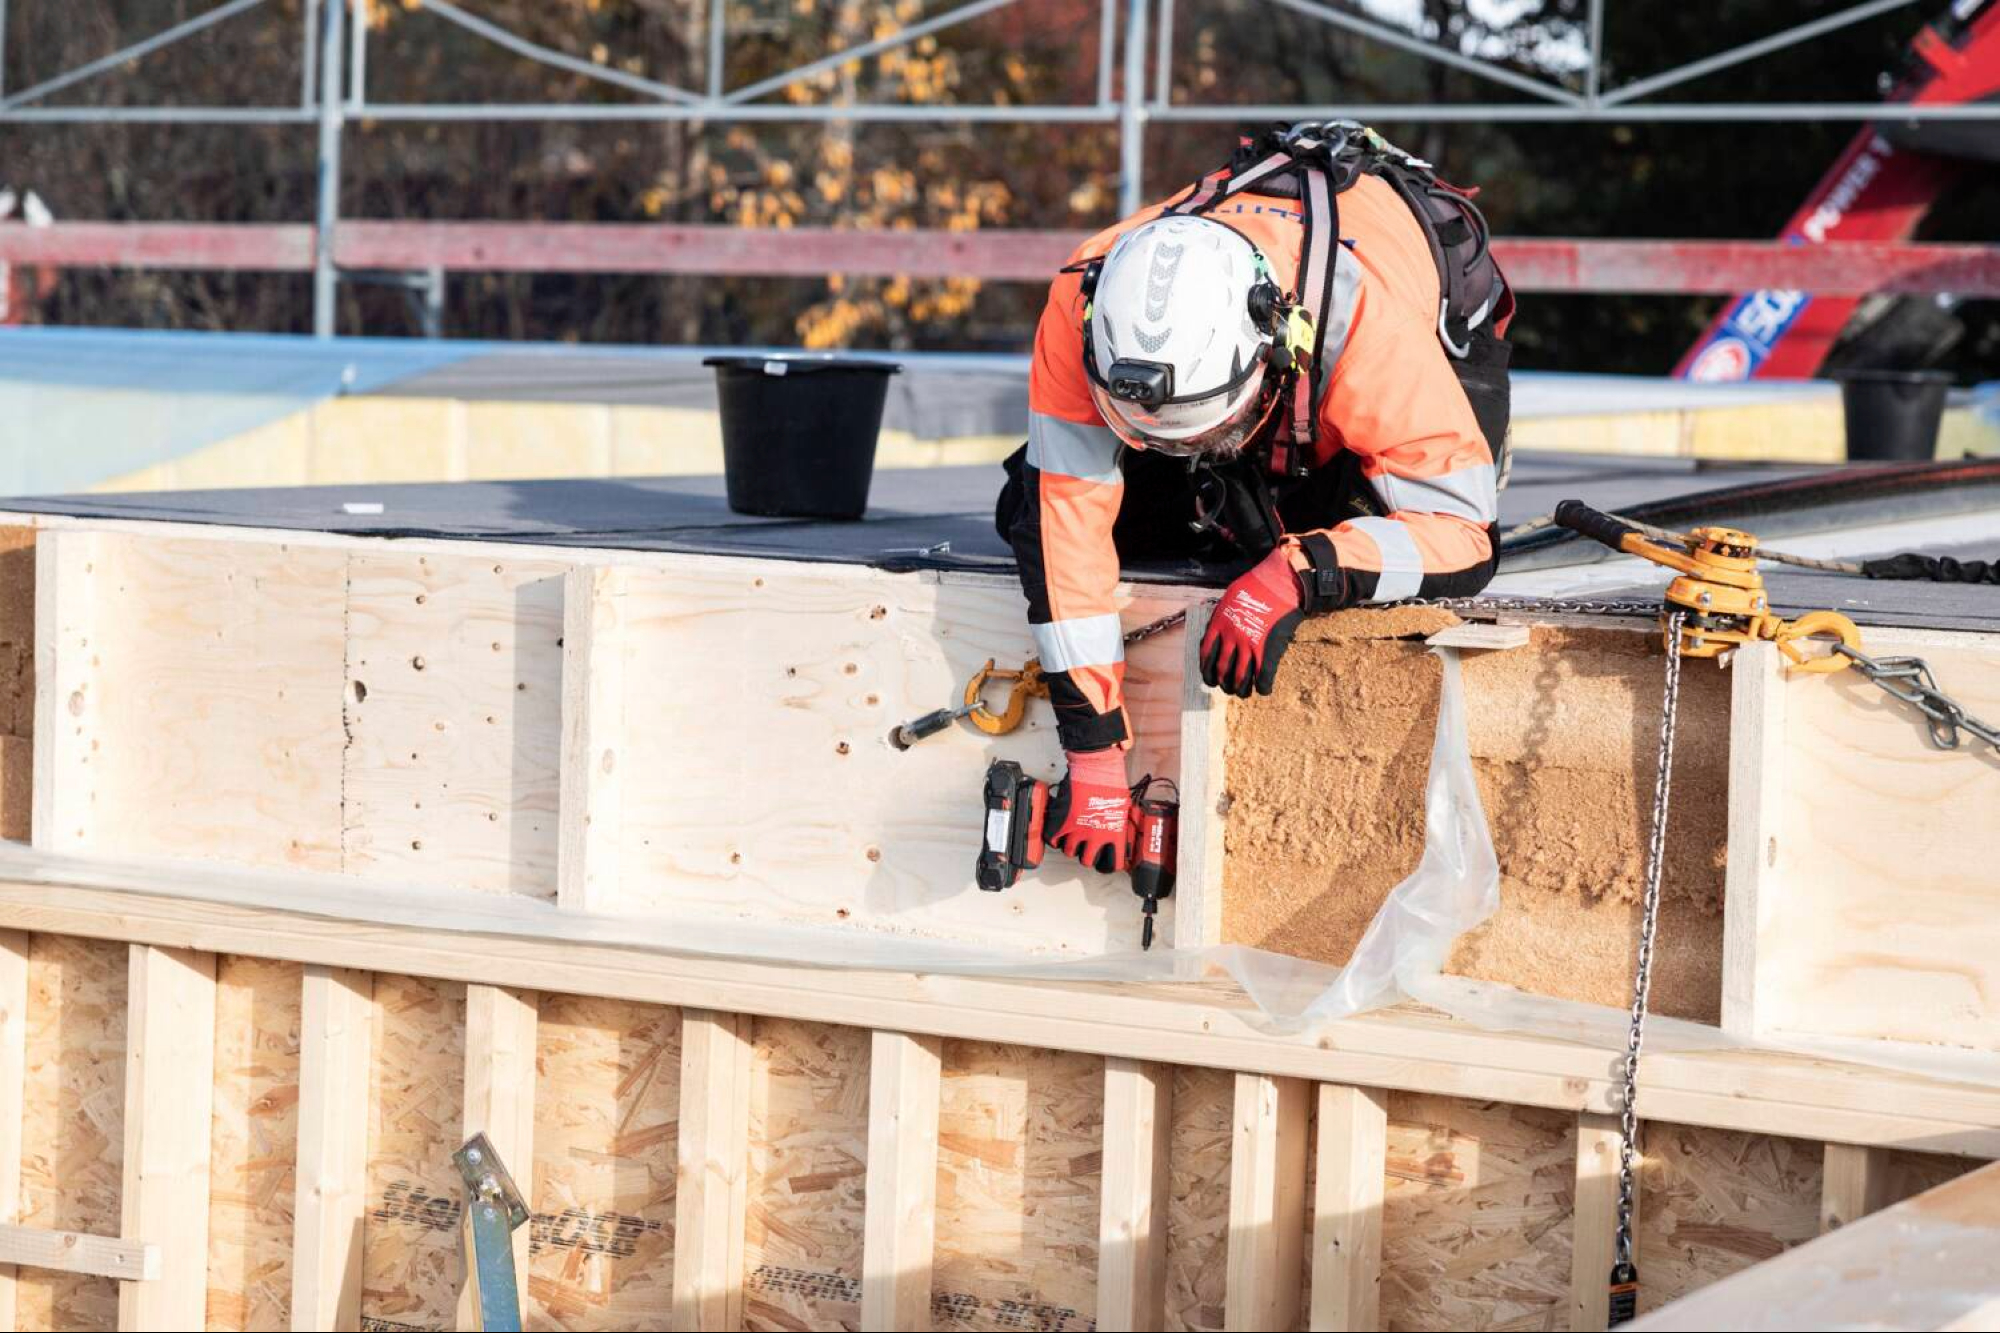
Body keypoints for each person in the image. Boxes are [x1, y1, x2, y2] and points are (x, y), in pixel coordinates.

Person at [995, 122, 1514, 874]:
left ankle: (1314, 484)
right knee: (1027, 506)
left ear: (1268, 357)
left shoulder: (1360, 326)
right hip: (1253, 384)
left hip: (1417, 320)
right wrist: (1096, 751)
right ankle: (1222, 464)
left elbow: (1463, 534)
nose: (1186, 459)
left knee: (1347, 532)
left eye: (1206, 431)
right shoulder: (1083, 298)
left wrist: (1306, 569)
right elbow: (1063, 522)